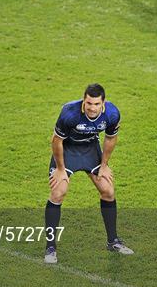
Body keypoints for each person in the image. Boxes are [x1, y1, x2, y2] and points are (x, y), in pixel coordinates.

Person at [44, 83, 134, 264]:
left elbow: (110, 138)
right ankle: (51, 248)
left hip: (90, 150)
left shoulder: (112, 114)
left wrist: (104, 165)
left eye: (96, 104)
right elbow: (56, 141)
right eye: (88, 103)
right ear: (84, 101)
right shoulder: (69, 113)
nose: (92, 108)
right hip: (67, 150)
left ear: (103, 103)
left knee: (108, 190)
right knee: (58, 192)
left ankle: (113, 242)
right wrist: (61, 169)